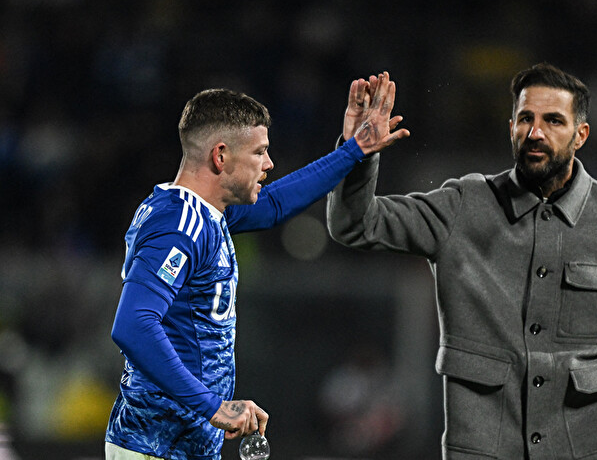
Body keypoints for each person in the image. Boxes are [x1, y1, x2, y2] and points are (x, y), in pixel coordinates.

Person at [327, 63, 597, 459]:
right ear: (511, 127)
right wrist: (354, 153)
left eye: (553, 121)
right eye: (526, 119)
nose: (536, 133)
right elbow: (355, 225)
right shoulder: (462, 207)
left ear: (580, 134)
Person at [105, 72, 410, 460]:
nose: (269, 163)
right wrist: (213, 406)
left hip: (177, 444)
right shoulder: (178, 227)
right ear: (220, 156)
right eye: (259, 152)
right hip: (157, 445)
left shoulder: (202, 213)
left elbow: (275, 204)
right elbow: (133, 325)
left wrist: (354, 149)